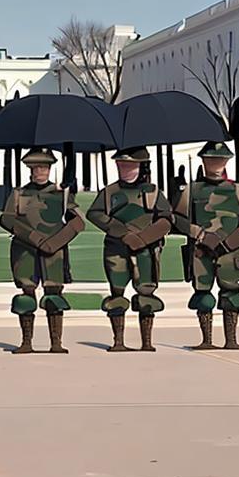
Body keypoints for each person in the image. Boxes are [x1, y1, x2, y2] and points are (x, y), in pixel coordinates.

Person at [172, 142, 239, 350]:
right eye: (211, 160)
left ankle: (231, 339)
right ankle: (207, 339)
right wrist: (199, 234)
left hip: (230, 251)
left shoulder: (237, 190)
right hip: (202, 250)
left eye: (220, 160)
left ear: (227, 162)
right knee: (202, 292)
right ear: (203, 161)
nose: (216, 164)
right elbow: (176, 218)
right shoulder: (192, 190)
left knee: (231, 292)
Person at [0, 148, 85, 353]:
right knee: (27, 294)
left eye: (44, 168)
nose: (40, 172)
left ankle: (56, 342)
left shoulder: (61, 195)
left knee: (54, 294)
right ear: (30, 169)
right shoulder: (19, 194)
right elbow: (6, 218)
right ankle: (26, 342)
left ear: (49, 169)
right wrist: (33, 237)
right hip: (25, 250)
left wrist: (56, 242)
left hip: (53, 252)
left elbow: (79, 222)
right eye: (36, 168)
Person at [87, 147, 173, 352]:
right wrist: (123, 233)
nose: (124, 169)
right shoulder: (109, 192)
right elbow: (94, 214)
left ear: (140, 166)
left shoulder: (152, 192)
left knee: (146, 292)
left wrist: (144, 238)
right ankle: (118, 340)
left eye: (129, 165)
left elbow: (166, 219)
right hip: (117, 249)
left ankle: (147, 341)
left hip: (146, 251)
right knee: (116, 293)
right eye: (121, 165)